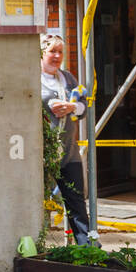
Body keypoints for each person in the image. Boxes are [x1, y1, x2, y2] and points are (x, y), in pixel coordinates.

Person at [40, 33, 98, 246]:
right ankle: (38, 248)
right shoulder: (33, 77)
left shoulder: (67, 77)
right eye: (52, 51)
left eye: (60, 52)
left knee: (76, 203)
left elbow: (82, 108)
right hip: (43, 154)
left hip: (68, 152)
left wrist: (73, 107)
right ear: (42, 54)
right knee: (38, 203)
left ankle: (88, 248)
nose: (56, 56)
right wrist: (49, 106)